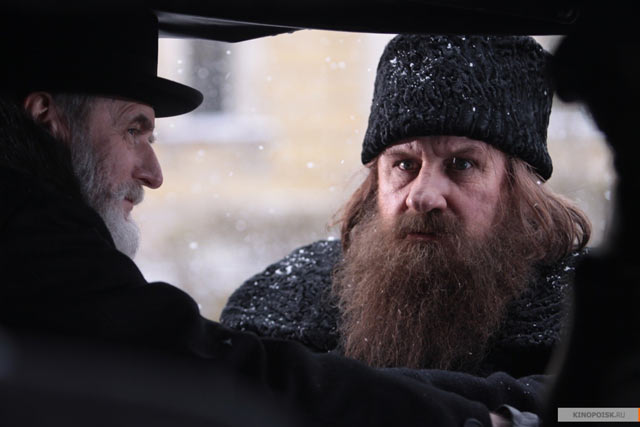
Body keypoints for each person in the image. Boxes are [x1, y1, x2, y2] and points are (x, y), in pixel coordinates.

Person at [0, 8, 539, 427]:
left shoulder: (577, 307)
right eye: (133, 129)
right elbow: (212, 372)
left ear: (519, 188)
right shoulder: (30, 243)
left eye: (463, 165)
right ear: (46, 118)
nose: (153, 173)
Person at [221, 34, 591, 398]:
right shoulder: (286, 300)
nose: (423, 196)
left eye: (461, 164)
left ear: (515, 188)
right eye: (404, 164)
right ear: (375, 182)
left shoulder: (589, 307)